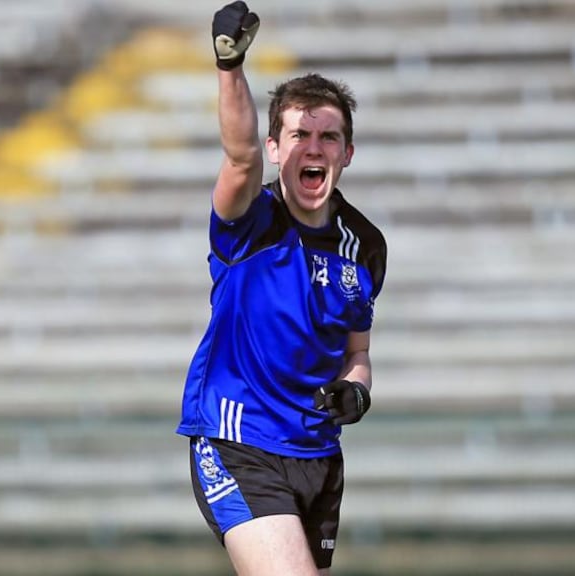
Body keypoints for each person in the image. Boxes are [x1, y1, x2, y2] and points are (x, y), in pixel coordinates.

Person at [175, 2, 387, 574]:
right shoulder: (250, 220)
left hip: (318, 455)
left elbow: (357, 351)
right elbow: (237, 156)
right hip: (238, 443)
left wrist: (356, 390)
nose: (312, 148)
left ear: (347, 153)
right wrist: (230, 64)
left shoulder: (365, 247)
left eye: (328, 137)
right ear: (276, 149)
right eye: (299, 135)